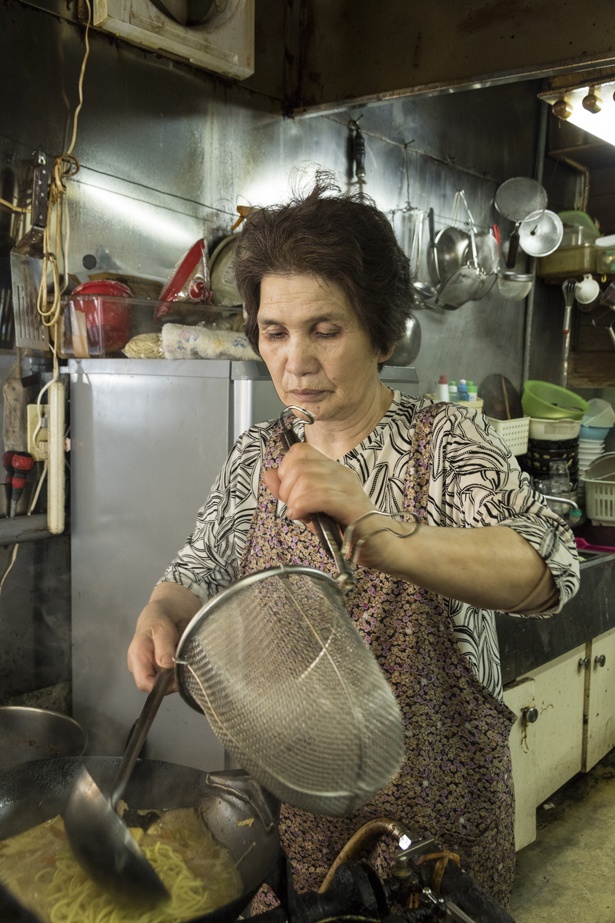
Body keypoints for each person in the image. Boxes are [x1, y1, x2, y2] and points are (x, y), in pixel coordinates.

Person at [127, 173, 580, 909]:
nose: (295, 361)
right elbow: (196, 567)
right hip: (291, 816)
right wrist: (161, 611)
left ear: (382, 331)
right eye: (274, 332)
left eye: (324, 329)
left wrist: (380, 531)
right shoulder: (258, 453)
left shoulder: (446, 441)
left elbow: (547, 568)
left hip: (433, 835)